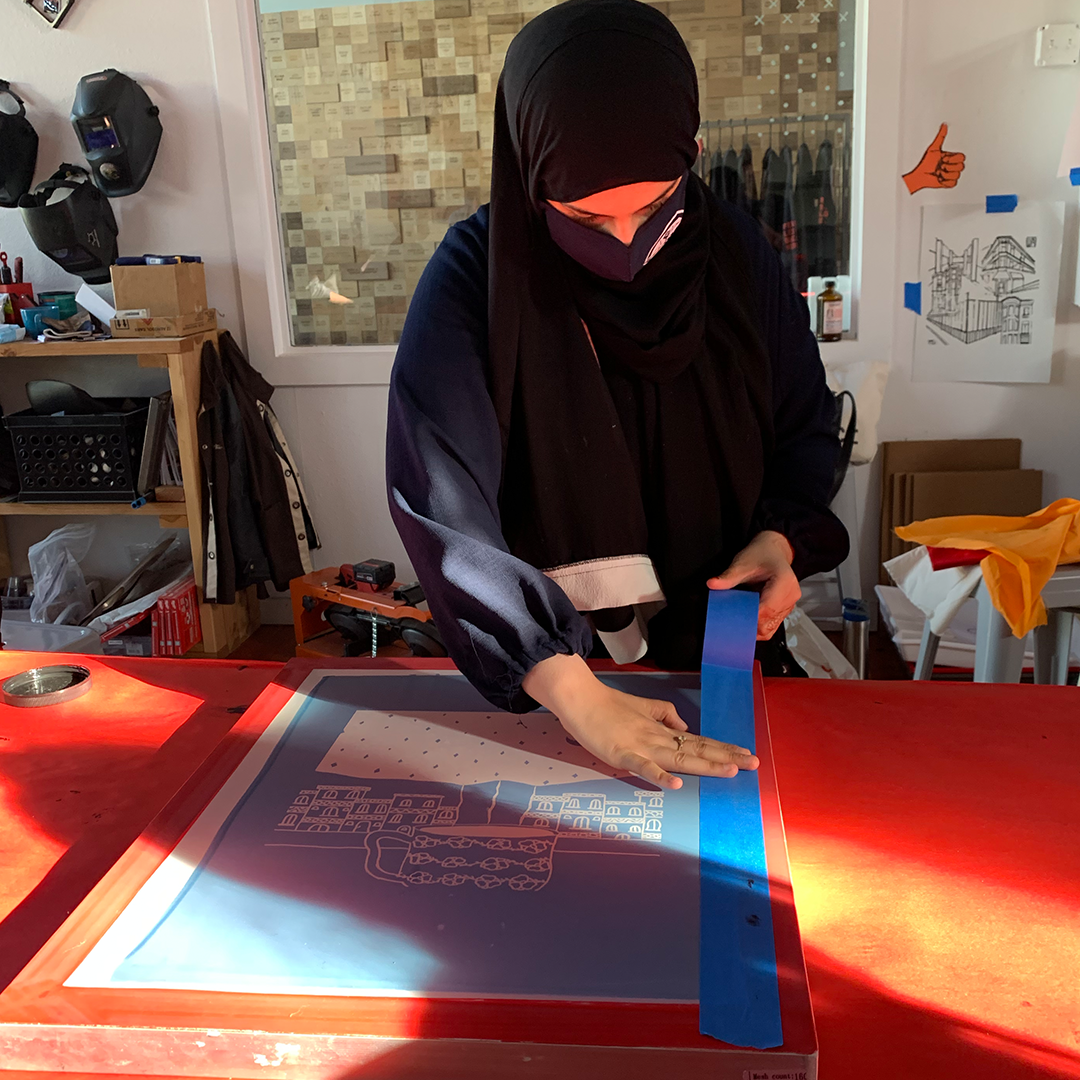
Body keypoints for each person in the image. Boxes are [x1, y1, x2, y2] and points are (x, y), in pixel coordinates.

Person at [386, 0, 849, 790]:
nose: (628, 243)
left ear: (692, 153)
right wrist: (571, 690)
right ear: (529, 174)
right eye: (584, 216)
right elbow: (440, 503)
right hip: (555, 687)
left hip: (722, 656)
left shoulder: (736, 256)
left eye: (656, 204)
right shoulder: (477, 281)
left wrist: (782, 540)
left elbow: (804, 425)